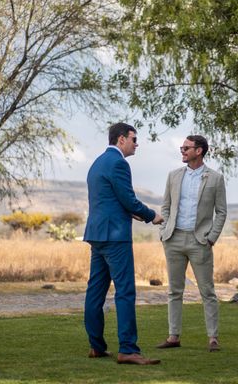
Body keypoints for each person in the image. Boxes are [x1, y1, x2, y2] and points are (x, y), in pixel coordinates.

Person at [83, 122, 164, 365]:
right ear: (121, 140)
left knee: (95, 292)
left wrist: (131, 213)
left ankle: (96, 346)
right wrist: (152, 215)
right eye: (134, 139)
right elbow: (128, 199)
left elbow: (109, 200)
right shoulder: (119, 163)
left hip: (97, 235)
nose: (136, 144)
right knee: (125, 292)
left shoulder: (96, 163)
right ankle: (128, 349)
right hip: (115, 237)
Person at [155, 135, 227, 352]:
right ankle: (173, 336)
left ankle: (213, 338)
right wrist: (164, 230)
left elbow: (221, 212)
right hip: (173, 239)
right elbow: (166, 206)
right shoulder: (174, 176)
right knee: (174, 291)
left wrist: (211, 237)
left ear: (199, 151)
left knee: (207, 291)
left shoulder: (215, 178)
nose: (182, 151)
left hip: (200, 242)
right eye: (182, 147)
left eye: (186, 148)